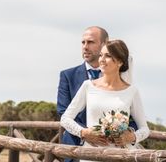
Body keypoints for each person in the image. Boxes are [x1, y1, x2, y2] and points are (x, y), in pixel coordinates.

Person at [57, 27, 135, 161]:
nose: (85, 47)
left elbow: (131, 114)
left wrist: (130, 134)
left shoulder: (122, 78)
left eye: (91, 42)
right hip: (74, 149)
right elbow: (63, 112)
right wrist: (85, 133)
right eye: (83, 42)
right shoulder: (67, 75)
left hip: (114, 151)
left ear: (105, 43)